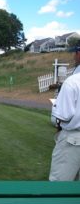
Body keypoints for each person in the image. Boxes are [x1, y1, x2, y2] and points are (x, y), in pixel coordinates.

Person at [49, 46, 80, 181]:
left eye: (75, 53)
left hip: (73, 139)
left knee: (59, 186)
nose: (74, 56)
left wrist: (56, 122)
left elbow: (63, 116)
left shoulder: (73, 81)